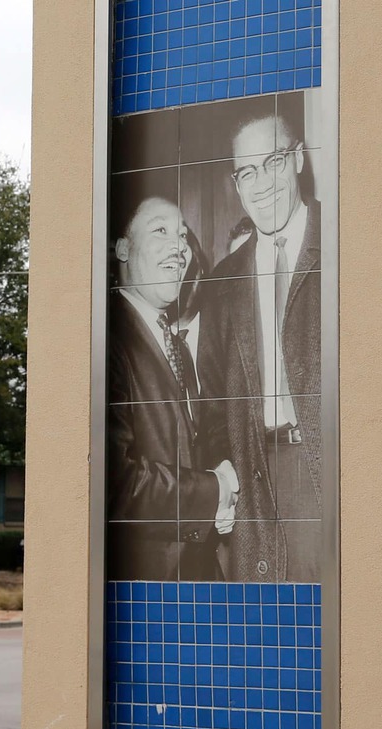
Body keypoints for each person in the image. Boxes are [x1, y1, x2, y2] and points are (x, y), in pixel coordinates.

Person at [195, 110, 324, 583]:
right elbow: (212, 402)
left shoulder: (347, 244)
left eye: (271, 162)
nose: (261, 183)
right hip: (252, 480)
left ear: (297, 159)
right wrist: (226, 470)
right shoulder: (222, 282)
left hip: (326, 472)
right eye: (247, 172)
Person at [106, 193, 240, 581]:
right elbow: (116, 483)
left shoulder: (177, 346)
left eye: (182, 235)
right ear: (123, 250)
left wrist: (223, 467)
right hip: (147, 586)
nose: (179, 247)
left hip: (197, 576)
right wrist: (214, 491)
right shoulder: (107, 339)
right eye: (160, 230)